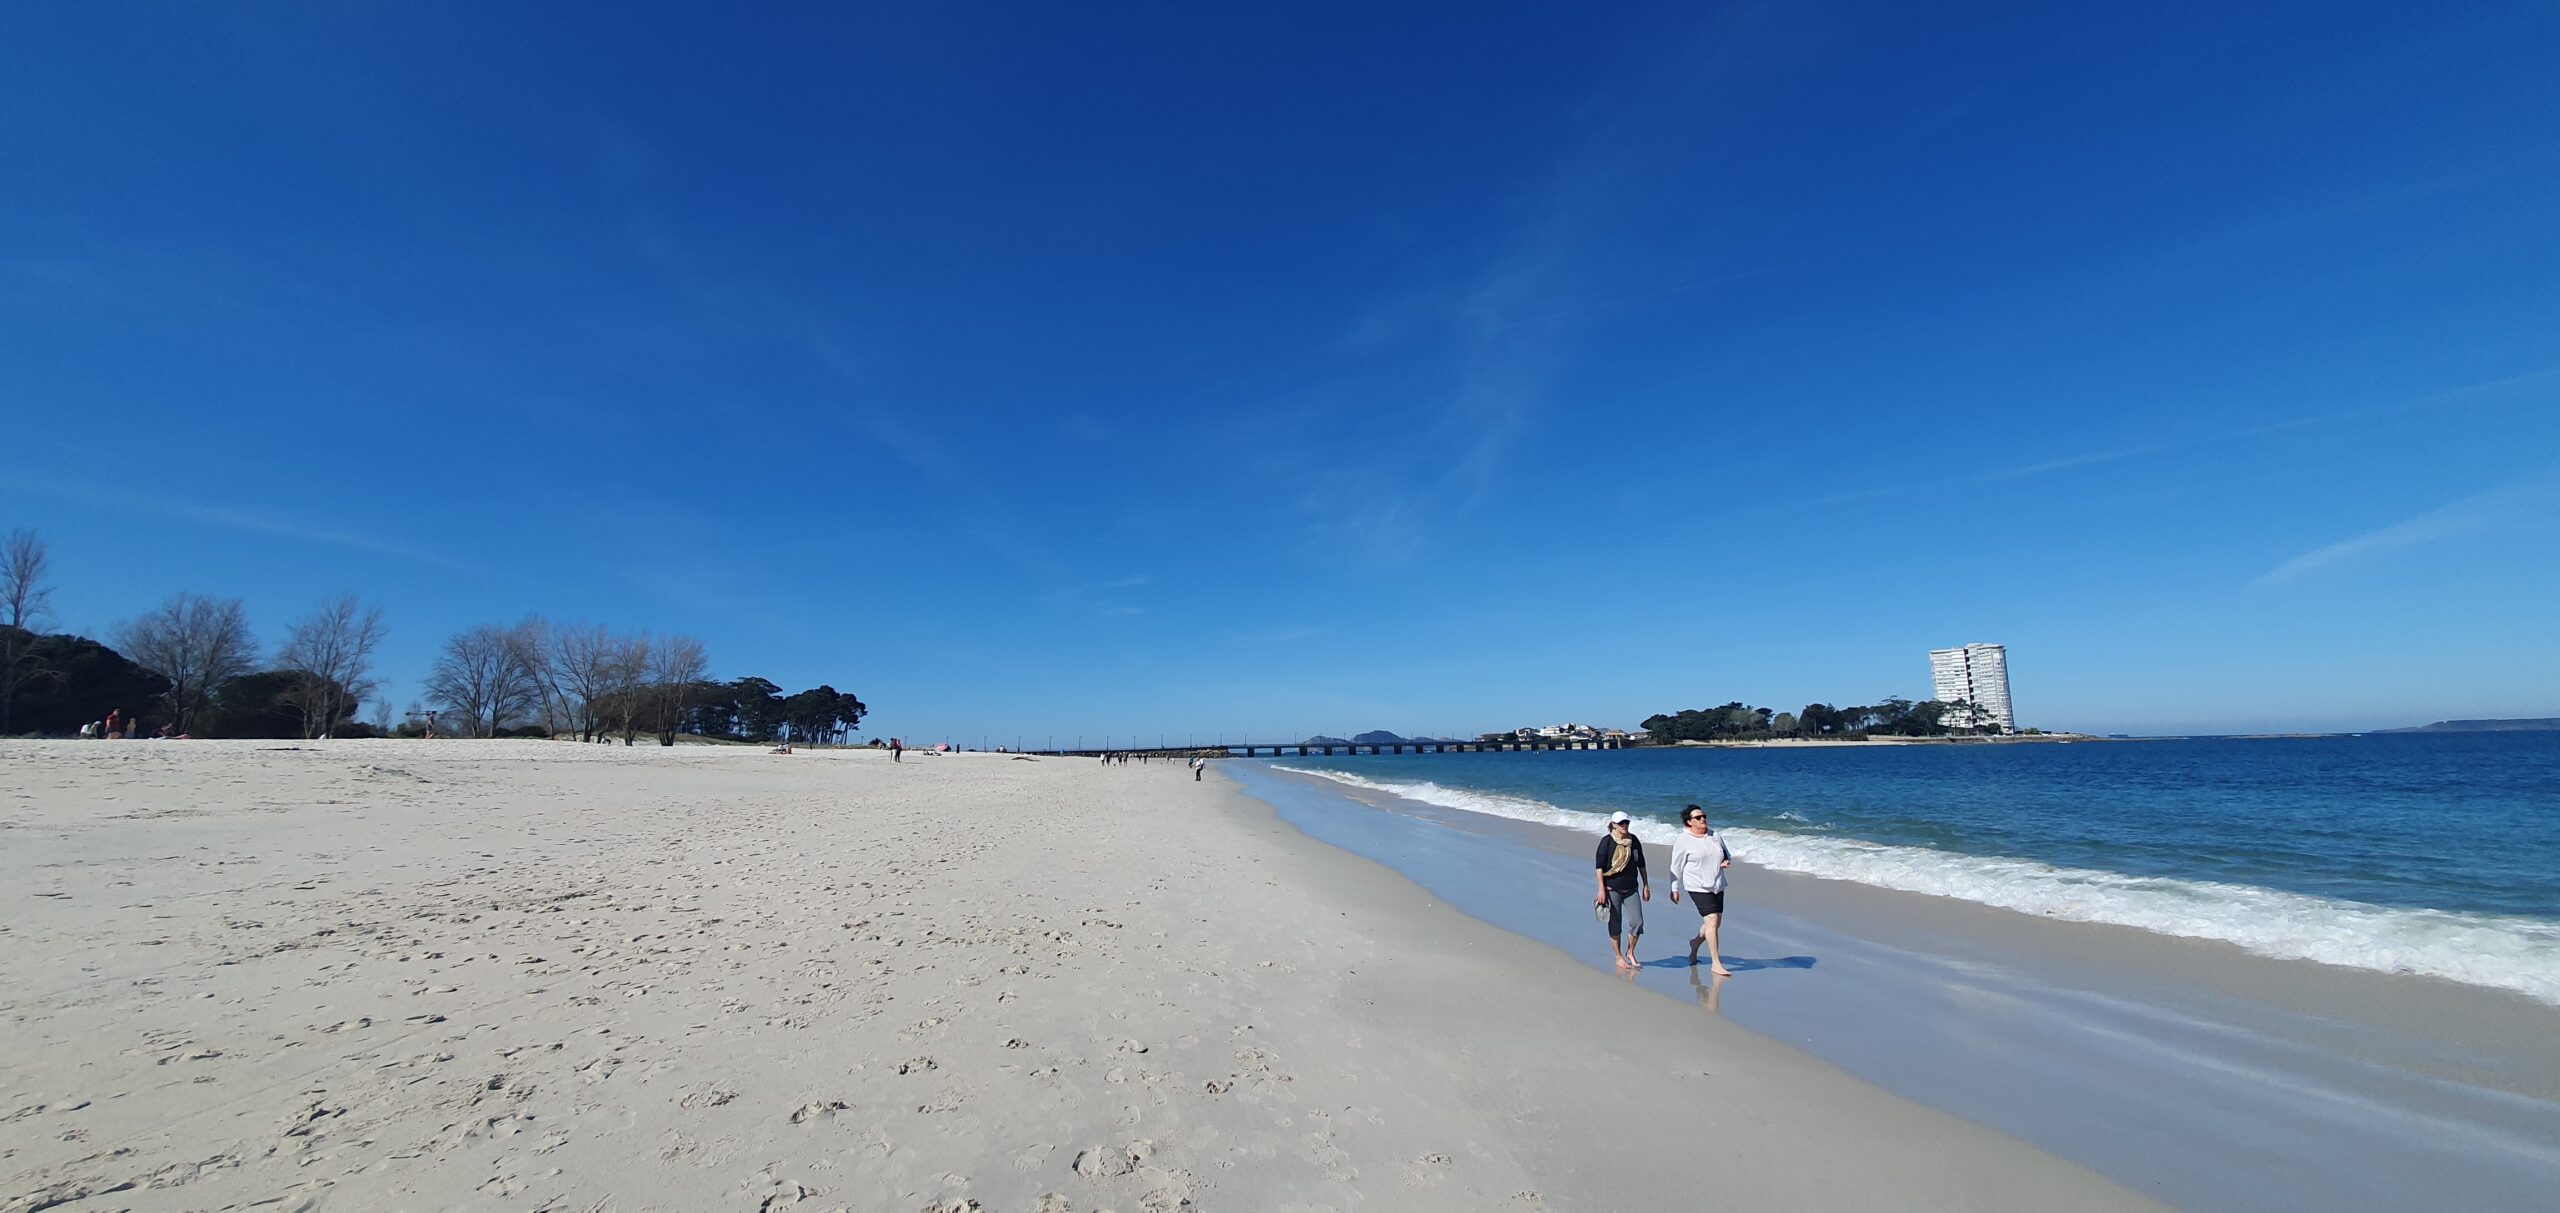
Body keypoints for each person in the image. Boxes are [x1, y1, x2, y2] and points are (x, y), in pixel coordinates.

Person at [1667, 804, 1734, 976]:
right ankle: (1716, 963)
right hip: (1697, 885)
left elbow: (1726, 853)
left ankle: (1695, 943)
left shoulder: (1714, 835)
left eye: (1704, 816)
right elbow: (1676, 865)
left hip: (1717, 883)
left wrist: (1725, 862)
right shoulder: (1683, 840)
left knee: (1715, 923)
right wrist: (1674, 887)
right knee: (1711, 920)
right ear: (1689, 822)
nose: (1703, 819)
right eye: (1698, 817)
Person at [1592, 810, 1651, 969]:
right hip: (1612, 888)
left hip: (1631, 888)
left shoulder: (1634, 841)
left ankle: (1630, 952)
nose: (1625, 825)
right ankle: (1618, 956)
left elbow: (1641, 864)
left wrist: (1646, 885)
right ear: (1613, 825)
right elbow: (1599, 867)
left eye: (1627, 823)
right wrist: (1601, 889)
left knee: (1637, 922)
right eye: (1621, 823)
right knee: (1615, 923)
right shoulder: (1607, 842)